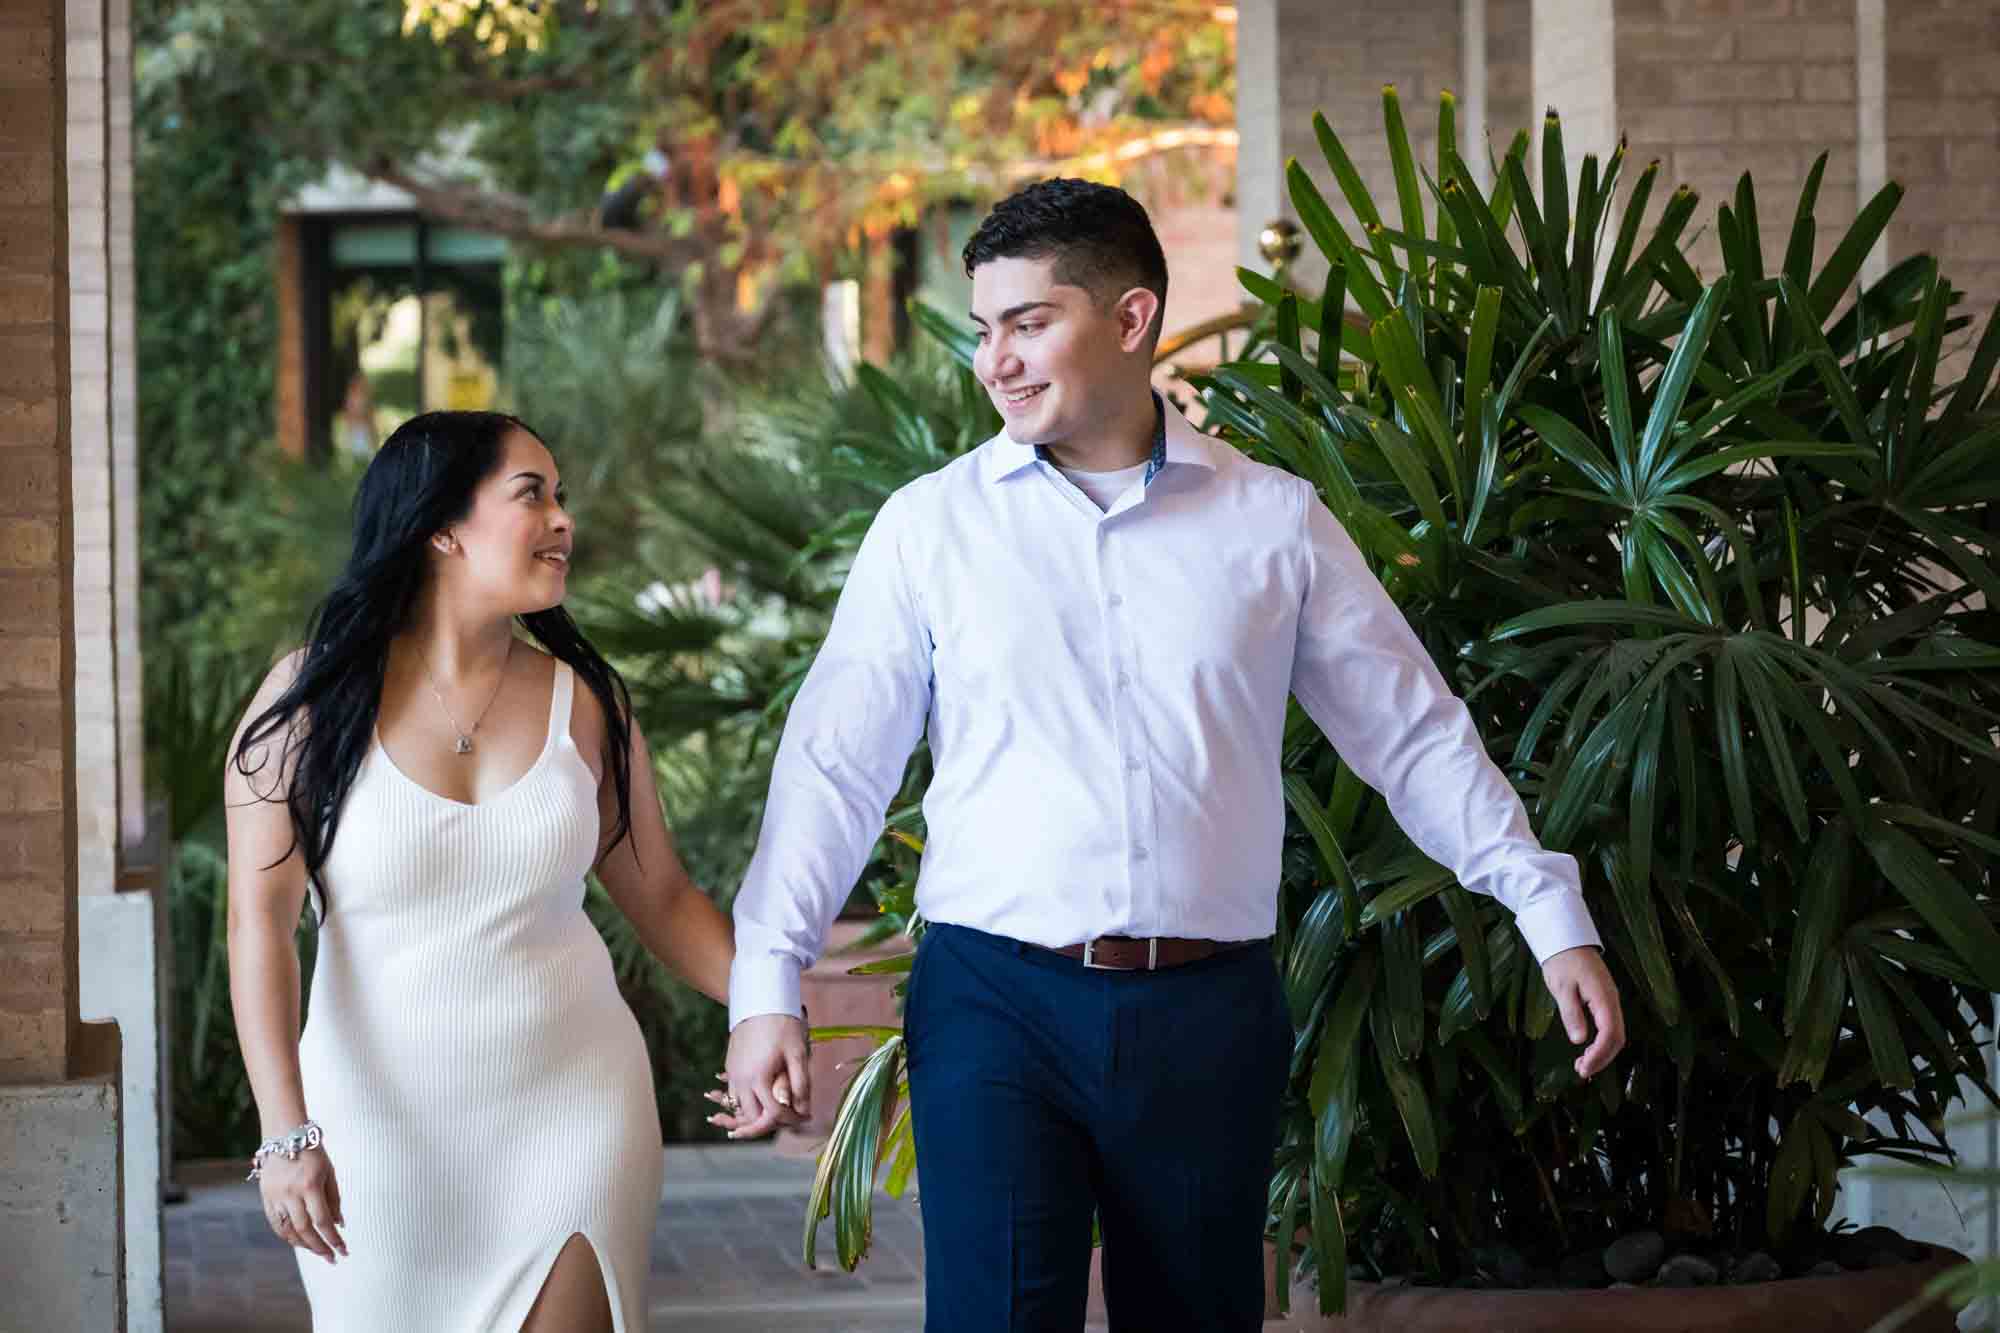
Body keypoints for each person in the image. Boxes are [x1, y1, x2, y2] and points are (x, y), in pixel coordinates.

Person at [719, 179, 1628, 1331]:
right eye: (982, 328)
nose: (994, 359)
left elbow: (1410, 731)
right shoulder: (929, 528)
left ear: (1132, 317)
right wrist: (769, 982)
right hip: (995, 998)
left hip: (1208, 1009)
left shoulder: (1272, 520)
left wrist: (1543, 908)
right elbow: (834, 770)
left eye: (1029, 322)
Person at [225, 410, 745, 1332]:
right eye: (531, 494)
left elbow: (661, 898)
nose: (562, 519)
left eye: (561, 497)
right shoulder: (306, 703)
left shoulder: (587, 703)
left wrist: (774, 1006)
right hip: (375, 1135)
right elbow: (258, 926)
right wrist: (285, 1133)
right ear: (441, 525)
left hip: (574, 1112)